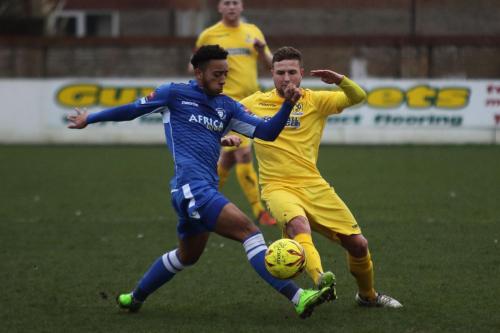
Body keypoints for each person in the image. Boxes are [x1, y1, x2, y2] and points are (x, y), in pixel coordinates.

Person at [67, 45, 333, 318]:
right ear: (199, 72)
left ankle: (133, 298)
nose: (222, 79)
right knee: (250, 233)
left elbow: (267, 132)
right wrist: (91, 119)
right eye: (217, 74)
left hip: (198, 190)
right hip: (191, 187)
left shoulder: (227, 106)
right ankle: (299, 297)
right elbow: (133, 109)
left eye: (225, 74)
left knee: (187, 256)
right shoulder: (174, 94)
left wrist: (287, 104)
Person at [239, 46, 403, 308]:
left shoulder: (314, 100)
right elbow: (229, 119)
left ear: (301, 73)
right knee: (299, 225)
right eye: (280, 72)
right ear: (271, 73)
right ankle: (321, 281)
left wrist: (339, 80)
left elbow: (357, 96)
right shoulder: (255, 102)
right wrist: (234, 137)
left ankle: (368, 296)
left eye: (292, 72)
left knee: (359, 245)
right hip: (277, 187)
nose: (287, 78)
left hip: (315, 186)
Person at [192, 0, 275, 226]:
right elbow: (195, 68)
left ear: (242, 7)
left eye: (235, 2)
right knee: (244, 154)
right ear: (219, 8)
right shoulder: (209, 35)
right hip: (223, 103)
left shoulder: (253, 31)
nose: (231, 7)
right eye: (226, 3)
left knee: (227, 158)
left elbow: (270, 64)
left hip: (250, 103)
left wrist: (260, 50)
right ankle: (259, 211)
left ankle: (200, 203)